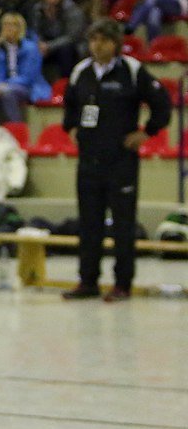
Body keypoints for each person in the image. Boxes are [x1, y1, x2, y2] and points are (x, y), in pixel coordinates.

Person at [62, 19, 171, 301]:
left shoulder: (131, 71)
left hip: (121, 162)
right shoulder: (81, 72)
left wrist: (146, 132)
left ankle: (123, 283)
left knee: (123, 225)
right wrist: (71, 128)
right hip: (88, 161)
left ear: (115, 43)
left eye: (103, 40)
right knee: (89, 224)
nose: (96, 45)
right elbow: (70, 106)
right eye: (93, 40)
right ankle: (88, 281)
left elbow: (162, 104)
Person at [0, 12, 50, 126]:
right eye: (6, 25)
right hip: (4, 86)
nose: (8, 28)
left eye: (12, 25)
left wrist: (5, 85)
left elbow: (28, 77)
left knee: (7, 92)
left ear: (20, 28)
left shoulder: (31, 48)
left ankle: (17, 129)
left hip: (28, 87)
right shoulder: (0, 48)